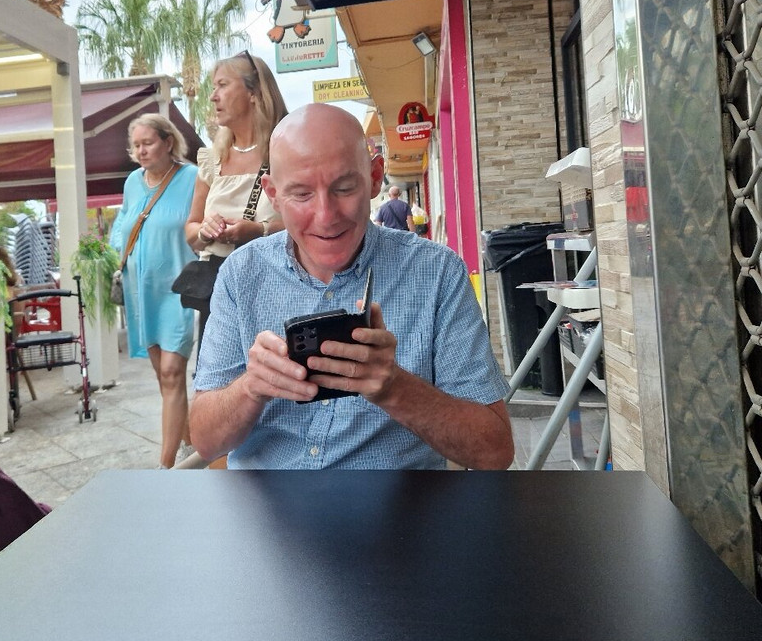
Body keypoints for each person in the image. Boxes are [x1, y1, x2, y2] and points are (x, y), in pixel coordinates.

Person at [188, 104, 514, 470]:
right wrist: (250, 387)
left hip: (396, 517)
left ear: (375, 177)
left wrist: (395, 389)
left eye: (344, 188)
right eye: (301, 195)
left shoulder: (436, 272)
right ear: (273, 194)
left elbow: (494, 452)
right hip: (269, 517)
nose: (326, 217)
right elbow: (205, 439)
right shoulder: (241, 274)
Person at [109, 114, 198, 468]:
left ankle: (165, 466)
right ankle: (191, 443)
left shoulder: (192, 178)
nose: (141, 151)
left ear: (168, 142)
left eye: (147, 143)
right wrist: (115, 251)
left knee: (174, 372)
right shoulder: (133, 182)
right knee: (163, 375)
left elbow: (198, 224)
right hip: (141, 289)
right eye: (136, 145)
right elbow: (122, 224)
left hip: (179, 287)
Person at [183, 51, 289, 343]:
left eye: (222, 85)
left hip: (277, 286)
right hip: (219, 292)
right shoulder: (212, 159)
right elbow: (191, 230)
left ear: (253, 92)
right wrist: (204, 232)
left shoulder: (287, 151)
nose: (213, 97)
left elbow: (311, 221)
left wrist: (260, 230)